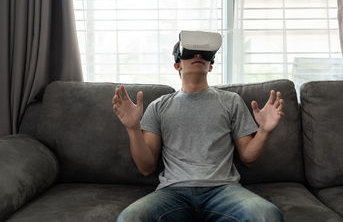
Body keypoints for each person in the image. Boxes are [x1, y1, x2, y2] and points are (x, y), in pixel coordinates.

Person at [113, 31, 285, 222]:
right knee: (129, 218)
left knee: (267, 215)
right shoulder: (159, 106)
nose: (197, 56)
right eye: (189, 53)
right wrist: (133, 128)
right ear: (177, 64)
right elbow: (146, 168)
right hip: (173, 192)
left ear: (210, 66)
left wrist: (264, 131)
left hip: (223, 190)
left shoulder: (231, 102)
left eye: (205, 54)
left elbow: (248, 158)